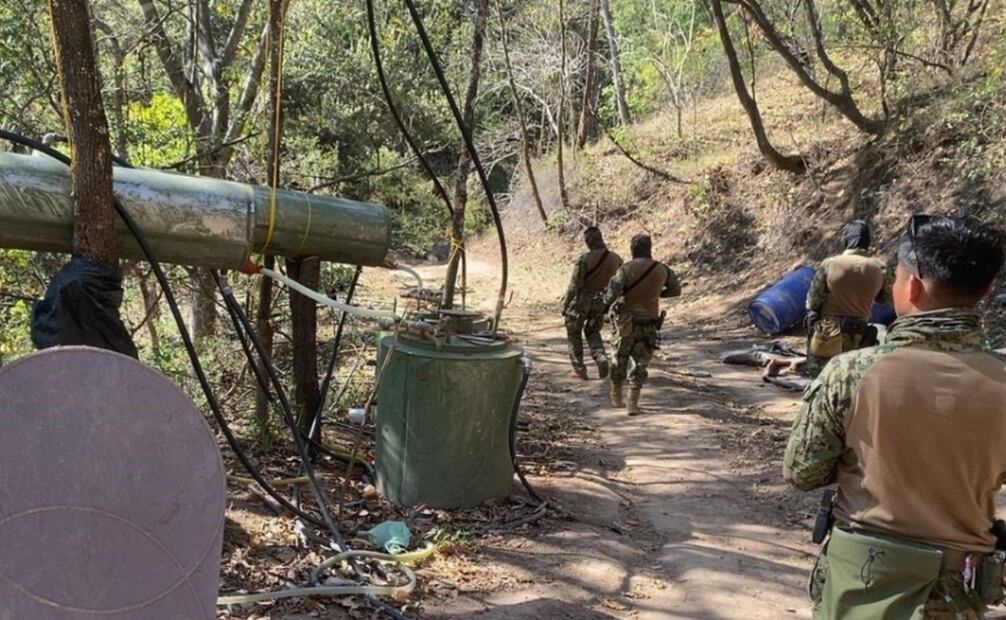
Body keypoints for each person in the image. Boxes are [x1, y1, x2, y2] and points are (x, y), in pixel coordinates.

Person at [784, 214, 1006, 619]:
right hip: (958, 586)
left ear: (912, 286)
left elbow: (802, 472)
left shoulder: (850, 373)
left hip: (861, 579)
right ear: (988, 289)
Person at [603, 233, 680, 415]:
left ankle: (616, 396)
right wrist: (656, 294)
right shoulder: (662, 269)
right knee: (640, 362)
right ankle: (633, 402)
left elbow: (610, 295)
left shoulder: (625, 269)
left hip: (625, 323)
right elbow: (675, 290)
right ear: (650, 248)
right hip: (650, 323)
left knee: (619, 358)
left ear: (632, 249)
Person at [804, 220, 887, 373]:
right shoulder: (879, 267)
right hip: (860, 336)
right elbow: (887, 298)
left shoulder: (830, 264)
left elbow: (812, 301)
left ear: (846, 240)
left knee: (821, 378)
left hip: (828, 335)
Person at [561, 226, 623, 380]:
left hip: (582, 301)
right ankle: (600, 356)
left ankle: (579, 368)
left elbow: (574, 285)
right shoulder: (617, 259)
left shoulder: (585, 259)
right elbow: (618, 285)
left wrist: (565, 304)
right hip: (601, 302)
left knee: (574, 332)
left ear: (588, 242)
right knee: (593, 331)